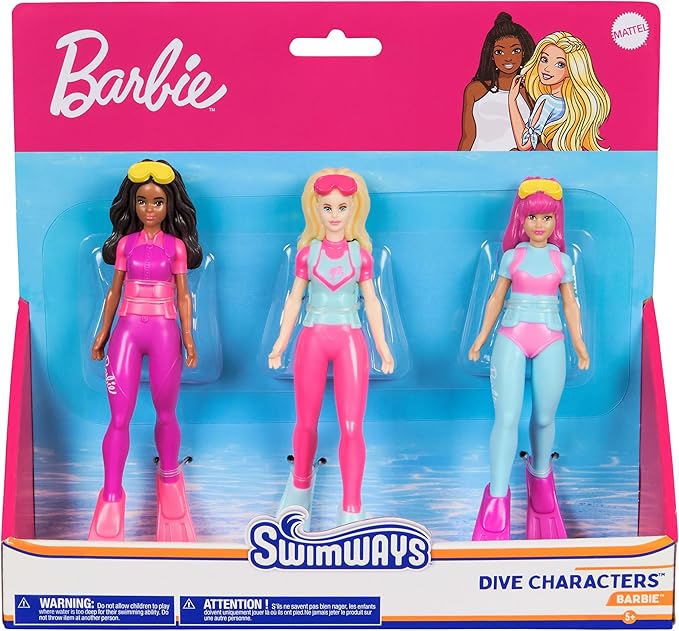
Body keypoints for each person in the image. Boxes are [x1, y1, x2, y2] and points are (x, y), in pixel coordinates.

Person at [268, 168, 394, 526]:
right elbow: (293, 300)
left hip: (350, 338)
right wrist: (280, 344)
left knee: (352, 426)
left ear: (354, 209)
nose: (335, 215)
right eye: (328, 207)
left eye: (342, 207)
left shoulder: (361, 256)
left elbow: (372, 303)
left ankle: (351, 506)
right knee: (306, 421)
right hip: (312, 336)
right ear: (316, 209)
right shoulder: (307, 255)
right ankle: (300, 484)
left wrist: (383, 347)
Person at [469, 177, 589, 540]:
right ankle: (497, 495)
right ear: (521, 219)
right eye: (532, 217)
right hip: (511, 334)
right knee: (506, 418)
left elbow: (571, 304)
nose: (539, 224)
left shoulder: (562, 261)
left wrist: (579, 344)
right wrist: (480, 338)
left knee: (545, 417)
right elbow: (495, 299)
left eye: (546, 218)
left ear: (555, 221)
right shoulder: (512, 257)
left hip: (550, 337)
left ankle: (540, 478)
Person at [89, 159, 202, 542]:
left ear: (169, 205)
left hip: (165, 331)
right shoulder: (126, 245)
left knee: (166, 411)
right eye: (142, 201)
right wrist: (103, 332)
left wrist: (188, 338)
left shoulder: (175, 247)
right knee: (118, 417)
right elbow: (113, 291)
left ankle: (170, 479)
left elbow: (184, 296)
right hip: (127, 331)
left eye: (157, 202)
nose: (149, 209)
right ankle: (111, 494)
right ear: (132, 204)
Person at [509, 32, 610, 151]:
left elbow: (524, 144)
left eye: (560, 64)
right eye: (544, 59)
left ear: (571, 69)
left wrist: (512, 101)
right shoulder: (576, 105)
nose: (547, 68)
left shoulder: (547, 101)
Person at [458, 12, 535, 151]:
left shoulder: (530, 91)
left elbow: (540, 138)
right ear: (491, 55)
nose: (508, 58)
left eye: (515, 50)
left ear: (524, 52)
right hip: (479, 160)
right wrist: (458, 163)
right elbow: (468, 137)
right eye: (500, 52)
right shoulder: (475, 90)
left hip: (517, 162)